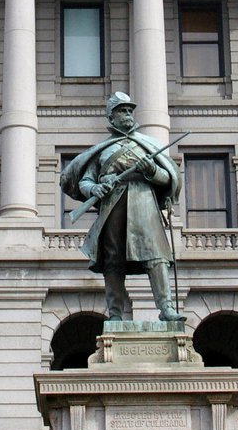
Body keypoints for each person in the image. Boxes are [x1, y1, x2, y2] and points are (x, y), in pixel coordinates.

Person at [60, 91, 183, 322]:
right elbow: (86, 180)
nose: (127, 114)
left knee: (156, 256)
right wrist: (94, 189)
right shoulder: (103, 149)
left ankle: (166, 308)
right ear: (111, 117)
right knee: (113, 260)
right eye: (122, 111)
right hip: (113, 205)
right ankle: (115, 314)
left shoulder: (148, 144)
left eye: (129, 110)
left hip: (143, 201)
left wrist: (152, 171)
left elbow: (169, 178)